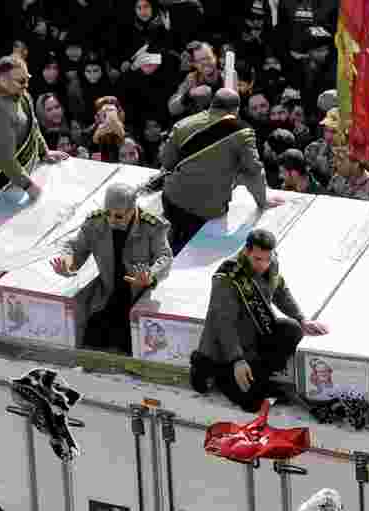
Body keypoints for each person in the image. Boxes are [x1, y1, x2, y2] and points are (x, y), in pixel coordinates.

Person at [190, 229, 328, 412]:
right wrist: (237, 360)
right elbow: (225, 324)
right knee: (252, 404)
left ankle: (259, 377)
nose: (263, 265)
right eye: (257, 259)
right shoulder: (227, 277)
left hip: (256, 334)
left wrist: (302, 319)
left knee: (292, 329)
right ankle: (220, 374)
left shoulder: (271, 261)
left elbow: (280, 290)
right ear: (246, 252)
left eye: (267, 259)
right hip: (227, 349)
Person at [50, 183, 172, 354]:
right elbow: (73, 246)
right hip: (107, 296)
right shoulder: (96, 222)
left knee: (130, 349)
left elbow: (165, 257)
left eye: (119, 216)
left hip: (137, 297)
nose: (112, 220)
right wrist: (67, 263)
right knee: (91, 346)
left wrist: (150, 275)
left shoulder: (152, 226)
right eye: (108, 213)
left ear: (132, 210)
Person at [159, 88, 276, 255]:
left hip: (172, 200)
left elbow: (166, 162)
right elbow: (253, 172)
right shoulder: (242, 132)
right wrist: (262, 201)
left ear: (212, 104)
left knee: (175, 235)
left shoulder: (183, 124)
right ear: (236, 110)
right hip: (206, 210)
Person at [0, 56, 67, 205]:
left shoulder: (16, 90)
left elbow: (32, 123)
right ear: (3, 81)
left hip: (22, 171)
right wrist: (29, 186)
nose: (27, 84)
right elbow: (4, 159)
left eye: (27, 78)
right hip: (0, 183)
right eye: (21, 81)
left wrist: (44, 152)